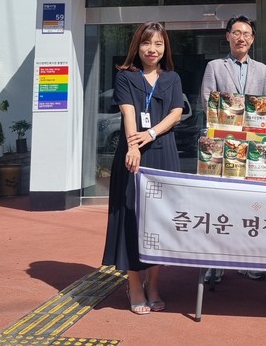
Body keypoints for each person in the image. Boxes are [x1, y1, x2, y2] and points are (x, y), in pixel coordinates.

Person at [102, 21, 185, 315]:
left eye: (158, 44)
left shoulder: (172, 78)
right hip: (133, 155)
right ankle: (134, 284)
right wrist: (133, 146)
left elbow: (176, 113)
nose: (152, 49)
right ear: (137, 46)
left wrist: (150, 134)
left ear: (165, 48)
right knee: (132, 217)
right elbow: (128, 112)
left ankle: (153, 284)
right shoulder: (126, 76)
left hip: (164, 154)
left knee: (160, 220)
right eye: (147, 43)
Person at [199, 15, 266, 283]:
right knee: (218, 204)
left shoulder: (263, 70)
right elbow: (207, 101)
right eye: (236, 33)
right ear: (228, 36)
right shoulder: (214, 67)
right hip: (221, 146)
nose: (241, 38)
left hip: (253, 149)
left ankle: (249, 260)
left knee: (251, 205)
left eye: (247, 34)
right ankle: (215, 262)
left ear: (252, 39)